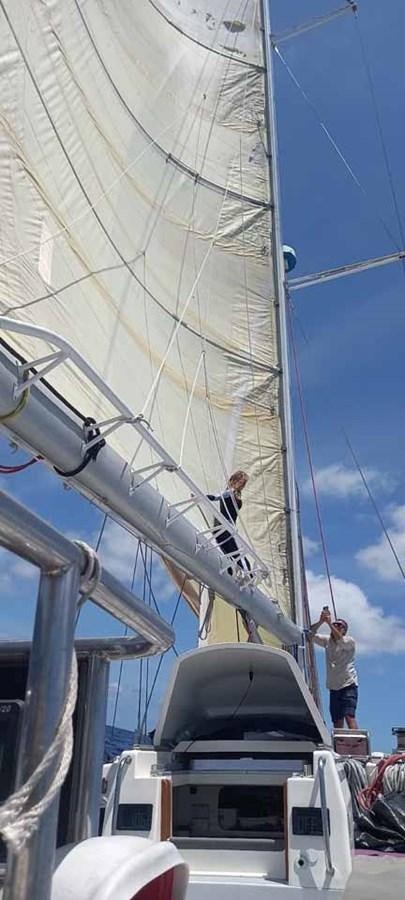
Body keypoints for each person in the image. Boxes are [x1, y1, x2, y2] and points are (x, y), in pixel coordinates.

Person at [309, 607, 359, 730]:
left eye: (339, 626)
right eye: (335, 624)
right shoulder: (327, 641)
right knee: (337, 721)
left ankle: (356, 745)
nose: (336, 626)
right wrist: (321, 621)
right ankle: (340, 746)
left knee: (349, 716)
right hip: (334, 688)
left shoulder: (349, 642)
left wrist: (329, 623)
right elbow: (310, 634)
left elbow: (340, 640)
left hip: (348, 685)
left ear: (344, 631)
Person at [207, 470, 251, 576]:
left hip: (223, 528)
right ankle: (249, 574)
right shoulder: (230, 492)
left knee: (228, 551)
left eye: (244, 484)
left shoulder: (234, 493)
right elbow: (217, 496)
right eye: (241, 482)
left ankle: (230, 571)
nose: (242, 486)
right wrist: (203, 496)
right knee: (238, 554)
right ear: (235, 480)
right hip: (226, 528)